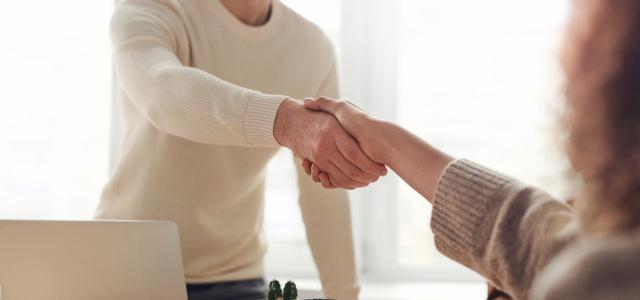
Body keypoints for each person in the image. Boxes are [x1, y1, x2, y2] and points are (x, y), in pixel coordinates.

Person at [302, 0, 640, 298]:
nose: (564, 47)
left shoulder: (597, 279)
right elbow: (546, 244)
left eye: (580, 16)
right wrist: (384, 140)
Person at [97, 0, 386, 299]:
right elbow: (161, 93)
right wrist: (284, 121)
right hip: (125, 268)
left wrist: (345, 294)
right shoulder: (152, 7)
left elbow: (324, 194)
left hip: (235, 277)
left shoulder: (311, 47)